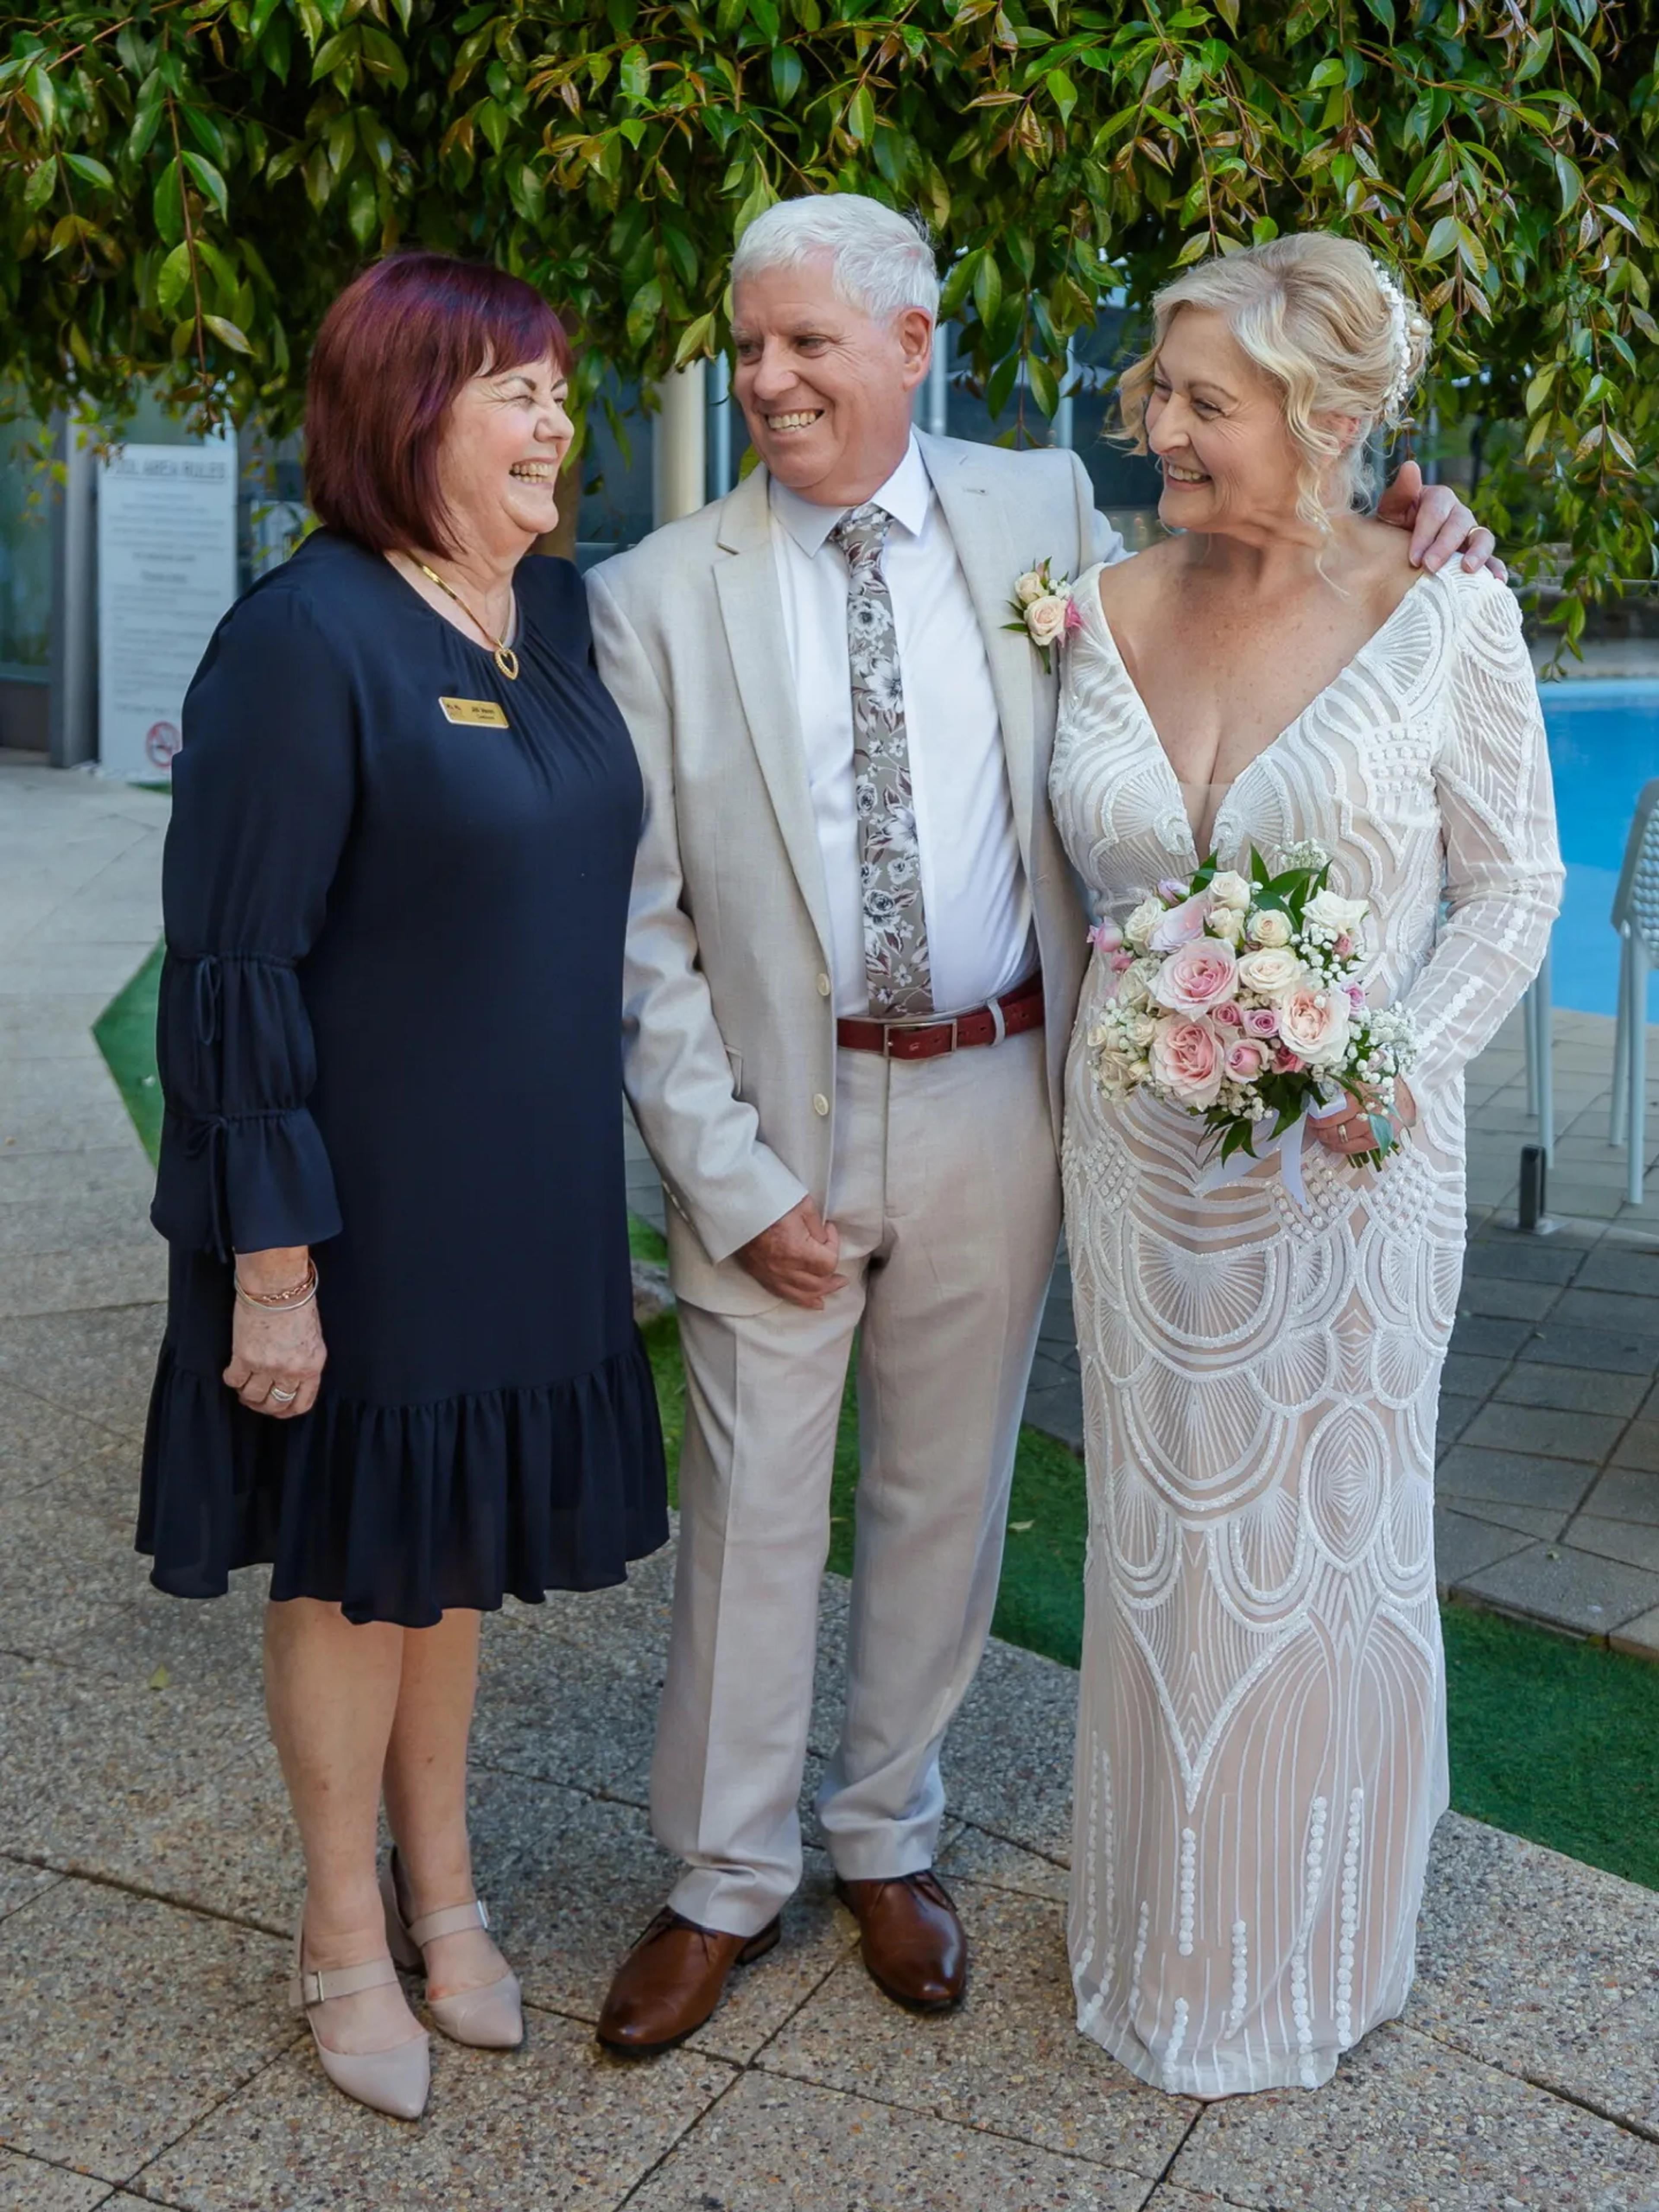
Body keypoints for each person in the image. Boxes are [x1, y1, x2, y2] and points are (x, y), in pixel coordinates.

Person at [584, 193, 1492, 2054]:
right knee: (751, 1501)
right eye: (748, 349)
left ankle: (886, 1836)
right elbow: (643, 931)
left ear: (913, 347)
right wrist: (725, 1174)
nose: (768, 380)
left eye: (807, 344)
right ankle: (723, 1875)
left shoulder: (1047, 519)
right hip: (773, 1110)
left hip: (1007, 1091)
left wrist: (1425, 517)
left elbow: (1280, 555)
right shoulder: (653, 593)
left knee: (949, 1490)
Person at [138, 252, 668, 2120]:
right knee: (360, 1568)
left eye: (558, 388)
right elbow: (234, 970)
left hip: (528, 1197)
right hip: (359, 1211)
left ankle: (445, 1892)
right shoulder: (305, 638)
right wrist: (271, 1267)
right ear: (406, 411)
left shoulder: (562, 614)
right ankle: (340, 1929)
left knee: (446, 1562)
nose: (557, 423)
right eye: (517, 391)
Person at [1053, 233, 1561, 2097]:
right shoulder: (1087, 607)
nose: (1159, 429)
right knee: (1156, 1542)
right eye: (1157, 391)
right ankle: (1161, 1934)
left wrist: (1389, 1066)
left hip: (1352, 1181)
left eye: (1205, 401)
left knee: (1331, 1546)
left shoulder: (1448, 615)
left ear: (1331, 420)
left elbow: (1517, 885)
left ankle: (1311, 1945)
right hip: (1135, 1173)